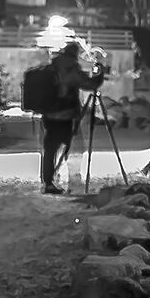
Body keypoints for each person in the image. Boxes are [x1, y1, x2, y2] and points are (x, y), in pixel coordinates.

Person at [39, 41, 107, 194]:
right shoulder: (71, 68)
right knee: (70, 146)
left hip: (49, 115)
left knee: (50, 149)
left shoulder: (53, 67)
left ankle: (48, 181)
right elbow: (88, 84)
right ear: (75, 54)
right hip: (64, 115)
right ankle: (66, 178)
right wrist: (99, 75)